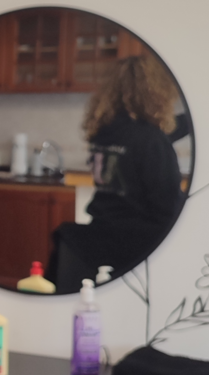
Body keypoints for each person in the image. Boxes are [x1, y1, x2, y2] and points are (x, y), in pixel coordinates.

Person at [45, 55, 185, 293]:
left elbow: (146, 140)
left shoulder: (105, 132)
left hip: (100, 234)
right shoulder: (151, 139)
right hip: (138, 243)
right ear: (156, 92)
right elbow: (167, 206)